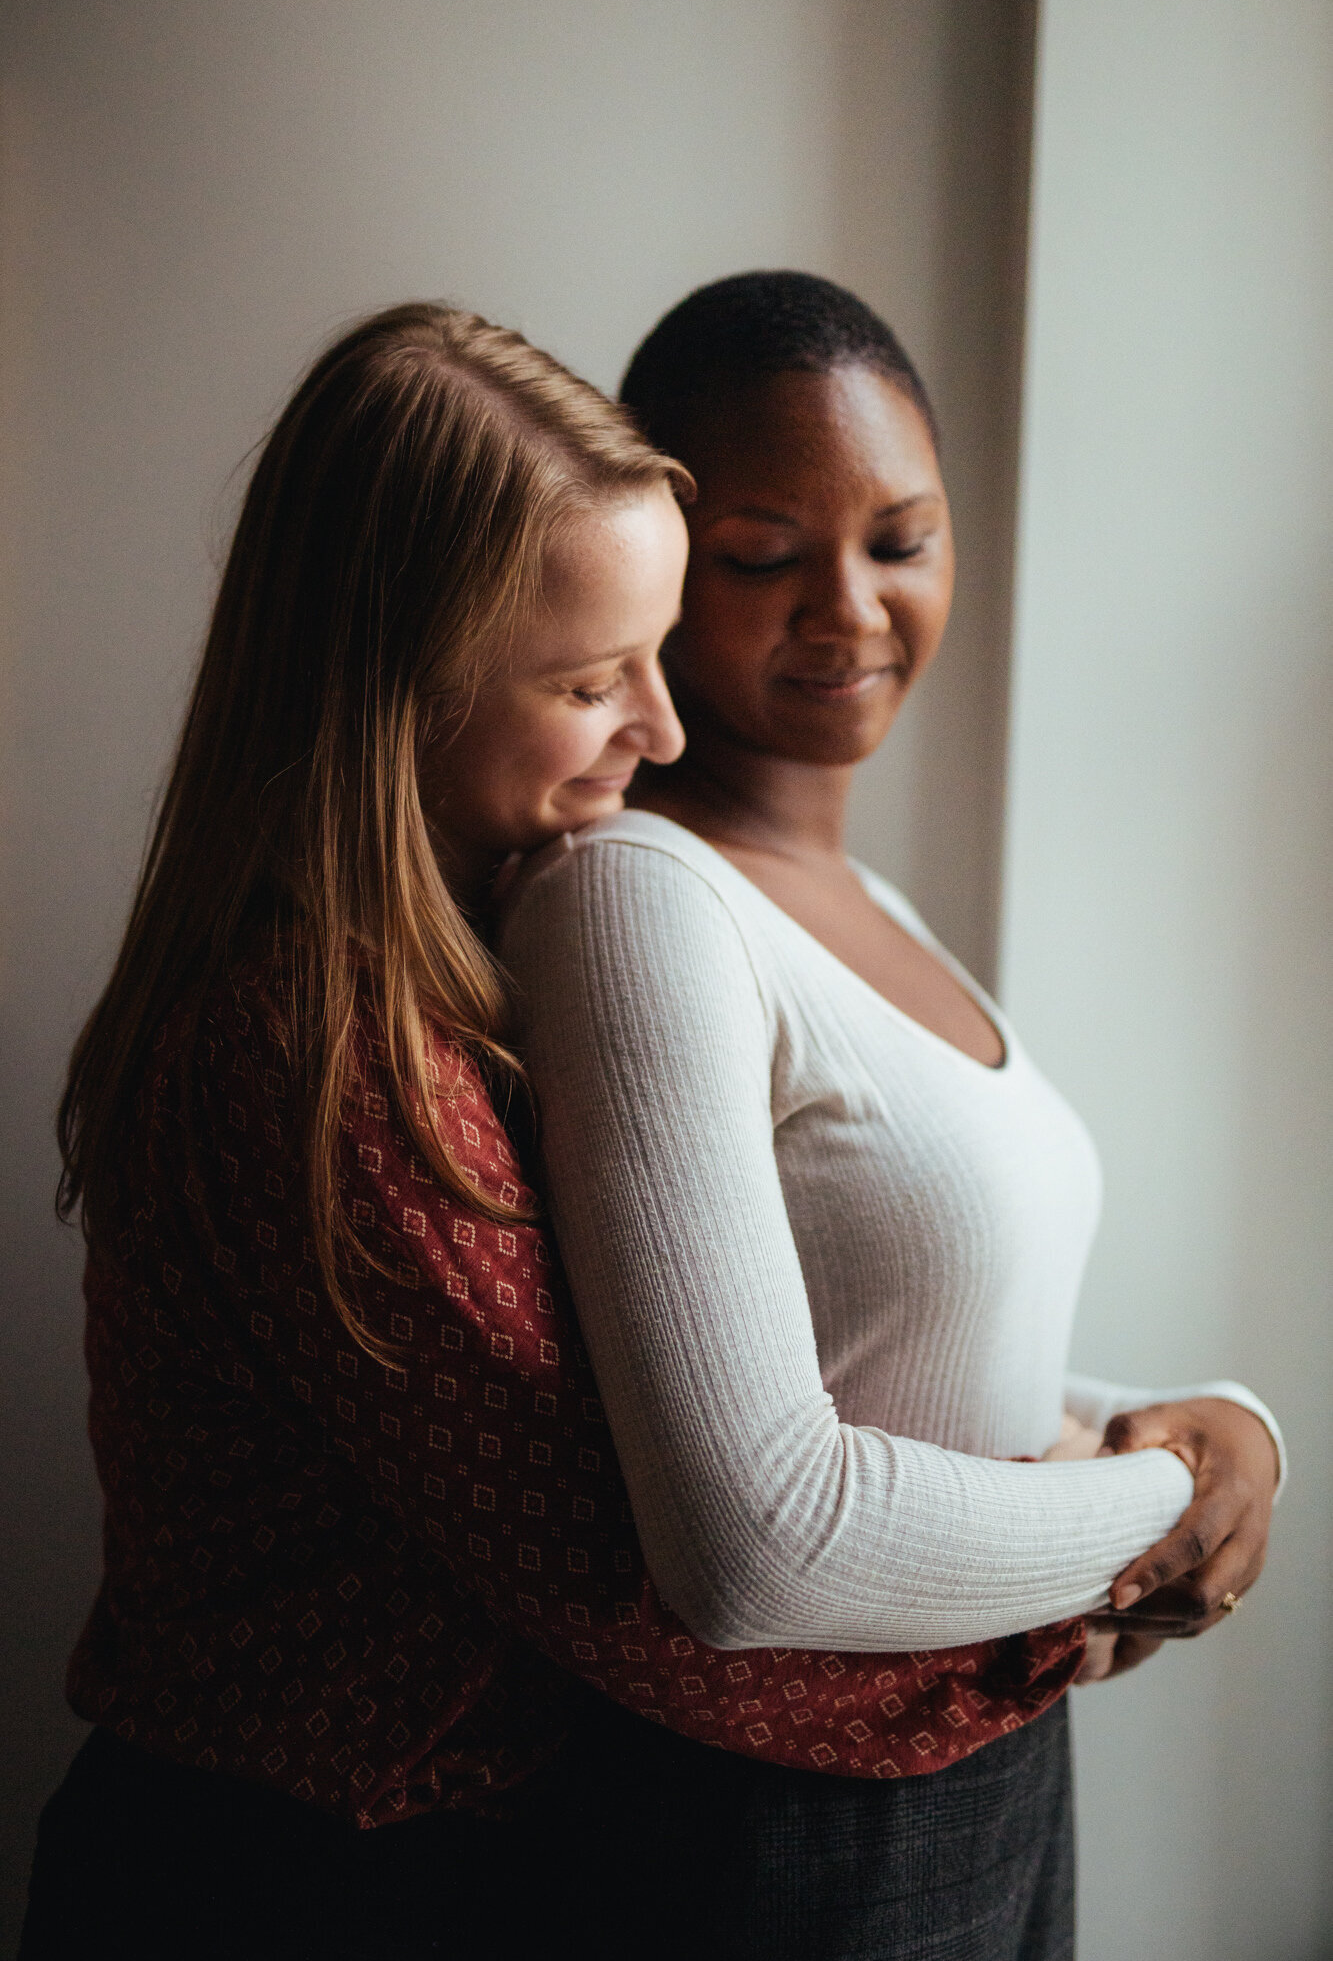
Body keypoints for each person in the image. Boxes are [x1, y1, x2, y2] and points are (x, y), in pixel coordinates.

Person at [21, 300, 1090, 1961]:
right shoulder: (323, 1059)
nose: (662, 733)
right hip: (284, 1887)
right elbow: (659, 1575)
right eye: (593, 682)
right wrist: (1116, 1556)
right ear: (396, 689)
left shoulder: (442, 977)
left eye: (656, 657)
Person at [495, 271, 1284, 1958]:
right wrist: (1166, 1510)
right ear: (653, 568)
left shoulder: (871, 905)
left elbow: (906, 1336)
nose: (846, 610)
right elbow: (751, 1548)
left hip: (988, 1748)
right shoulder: (636, 898)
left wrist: (1200, 1416)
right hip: (783, 1818)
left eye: (901, 540)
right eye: (766, 554)